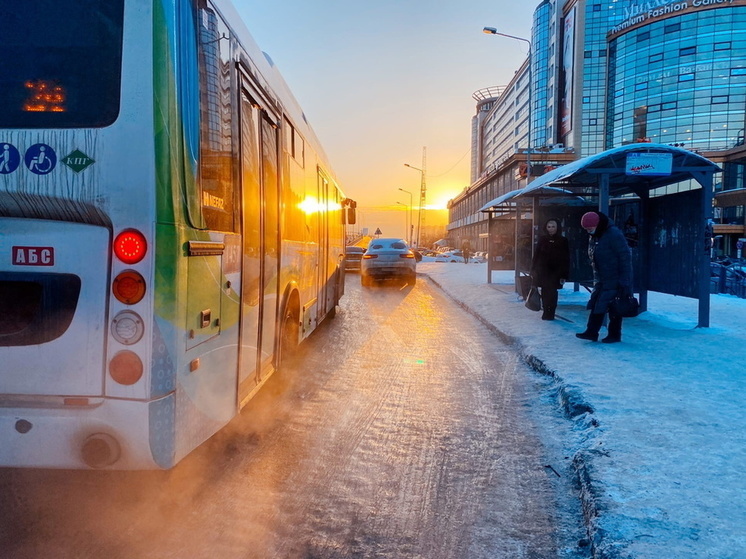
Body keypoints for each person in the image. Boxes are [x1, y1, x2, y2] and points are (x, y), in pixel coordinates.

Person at [576, 211, 633, 343]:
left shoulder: (613, 234)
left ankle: (614, 335)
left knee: (614, 306)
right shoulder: (596, 235)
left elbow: (625, 258)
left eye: (589, 228)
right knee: (597, 303)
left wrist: (624, 280)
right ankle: (591, 332)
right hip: (603, 278)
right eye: (586, 229)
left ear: (597, 224)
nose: (588, 231)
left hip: (615, 277)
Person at [530, 218, 570, 320]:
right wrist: (533, 269)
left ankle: (551, 311)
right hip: (542, 271)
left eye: (553, 227)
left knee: (552, 292)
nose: (551, 229)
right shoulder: (542, 239)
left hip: (556, 272)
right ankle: (545, 310)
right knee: (544, 291)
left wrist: (564, 274)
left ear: (557, 228)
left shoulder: (563, 241)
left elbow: (566, 258)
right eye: (549, 227)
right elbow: (537, 255)